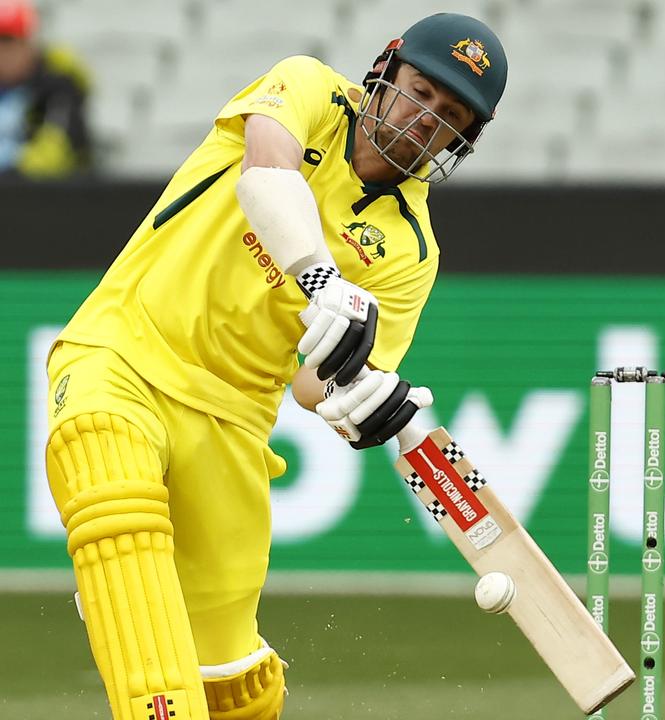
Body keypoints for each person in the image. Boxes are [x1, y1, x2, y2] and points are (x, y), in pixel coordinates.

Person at [43, 12, 506, 720]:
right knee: (115, 504)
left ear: (460, 140)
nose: (423, 120)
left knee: (232, 679)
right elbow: (265, 172)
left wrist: (361, 393)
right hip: (122, 349)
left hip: (233, 424)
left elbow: (312, 382)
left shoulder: (411, 251)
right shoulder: (311, 90)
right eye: (420, 91)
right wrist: (322, 280)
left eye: (448, 115)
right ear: (386, 72)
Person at [0, 0, 90, 178]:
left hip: (46, 197)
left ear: (29, 44)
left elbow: (55, 151)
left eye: (9, 42)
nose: (3, 53)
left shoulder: (58, 86)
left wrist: (13, 171)